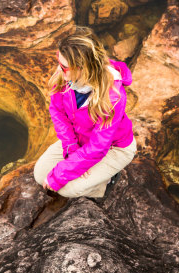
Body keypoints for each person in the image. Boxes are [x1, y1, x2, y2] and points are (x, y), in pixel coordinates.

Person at [34, 26, 137, 198]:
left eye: (64, 66)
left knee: (68, 189)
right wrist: (71, 148)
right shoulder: (64, 78)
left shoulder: (113, 97)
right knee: (40, 175)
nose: (59, 69)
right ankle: (92, 173)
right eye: (59, 61)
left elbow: (98, 145)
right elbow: (58, 113)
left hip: (113, 147)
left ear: (83, 68)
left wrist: (63, 173)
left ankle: (106, 182)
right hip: (80, 140)